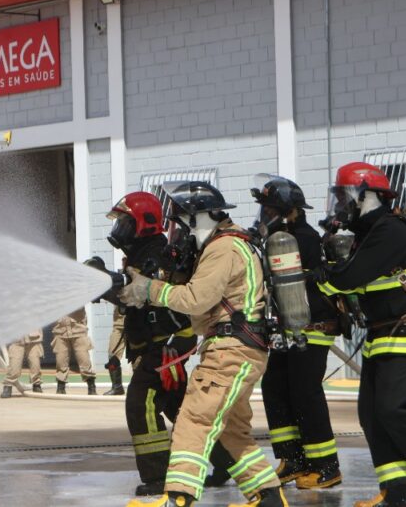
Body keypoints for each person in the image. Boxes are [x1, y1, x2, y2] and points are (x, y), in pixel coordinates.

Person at [121, 181, 286, 507]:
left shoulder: (223, 248)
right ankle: (268, 497)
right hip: (237, 348)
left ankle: (178, 498)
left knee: (194, 420)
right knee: (231, 432)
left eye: (182, 220)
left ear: (199, 218)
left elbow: (197, 300)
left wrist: (151, 290)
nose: (178, 229)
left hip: (231, 351)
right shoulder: (234, 243)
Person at [313, 162, 406, 507]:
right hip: (382, 335)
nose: (341, 204)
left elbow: (346, 279)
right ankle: (396, 492)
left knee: (393, 407)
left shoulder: (390, 231)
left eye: (345, 196)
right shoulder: (369, 234)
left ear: (367, 195)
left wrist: (318, 272)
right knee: (371, 413)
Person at [249, 175, 343, 489]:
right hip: (287, 327)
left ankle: (326, 465)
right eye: (264, 209)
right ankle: (293, 459)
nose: (265, 215)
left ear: (290, 211)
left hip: (313, 325)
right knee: (274, 386)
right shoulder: (277, 238)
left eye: (271, 209)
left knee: (306, 392)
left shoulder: (302, 238)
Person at [103, 192, 198, 496]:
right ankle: (223, 456)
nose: (119, 229)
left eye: (124, 222)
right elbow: (132, 296)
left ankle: (158, 476)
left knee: (140, 403)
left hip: (167, 344)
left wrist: (110, 283)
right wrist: (104, 281)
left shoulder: (154, 256)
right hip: (158, 344)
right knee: (181, 407)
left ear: (142, 223)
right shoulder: (142, 253)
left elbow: (145, 296)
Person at [53, 307, 97, 395]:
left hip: (78, 329)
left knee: (84, 360)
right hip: (60, 330)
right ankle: (61, 387)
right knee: (61, 360)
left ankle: (91, 387)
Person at [0, 330, 44, 398]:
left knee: (35, 364)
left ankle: (36, 384)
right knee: (14, 365)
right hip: (17, 337)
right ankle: (8, 385)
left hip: (34, 337)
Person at [105, 311, 127, 395]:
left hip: (136, 323)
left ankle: (141, 389)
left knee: (138, 359)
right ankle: (117, 387)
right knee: (112, 355)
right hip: (119, 324)